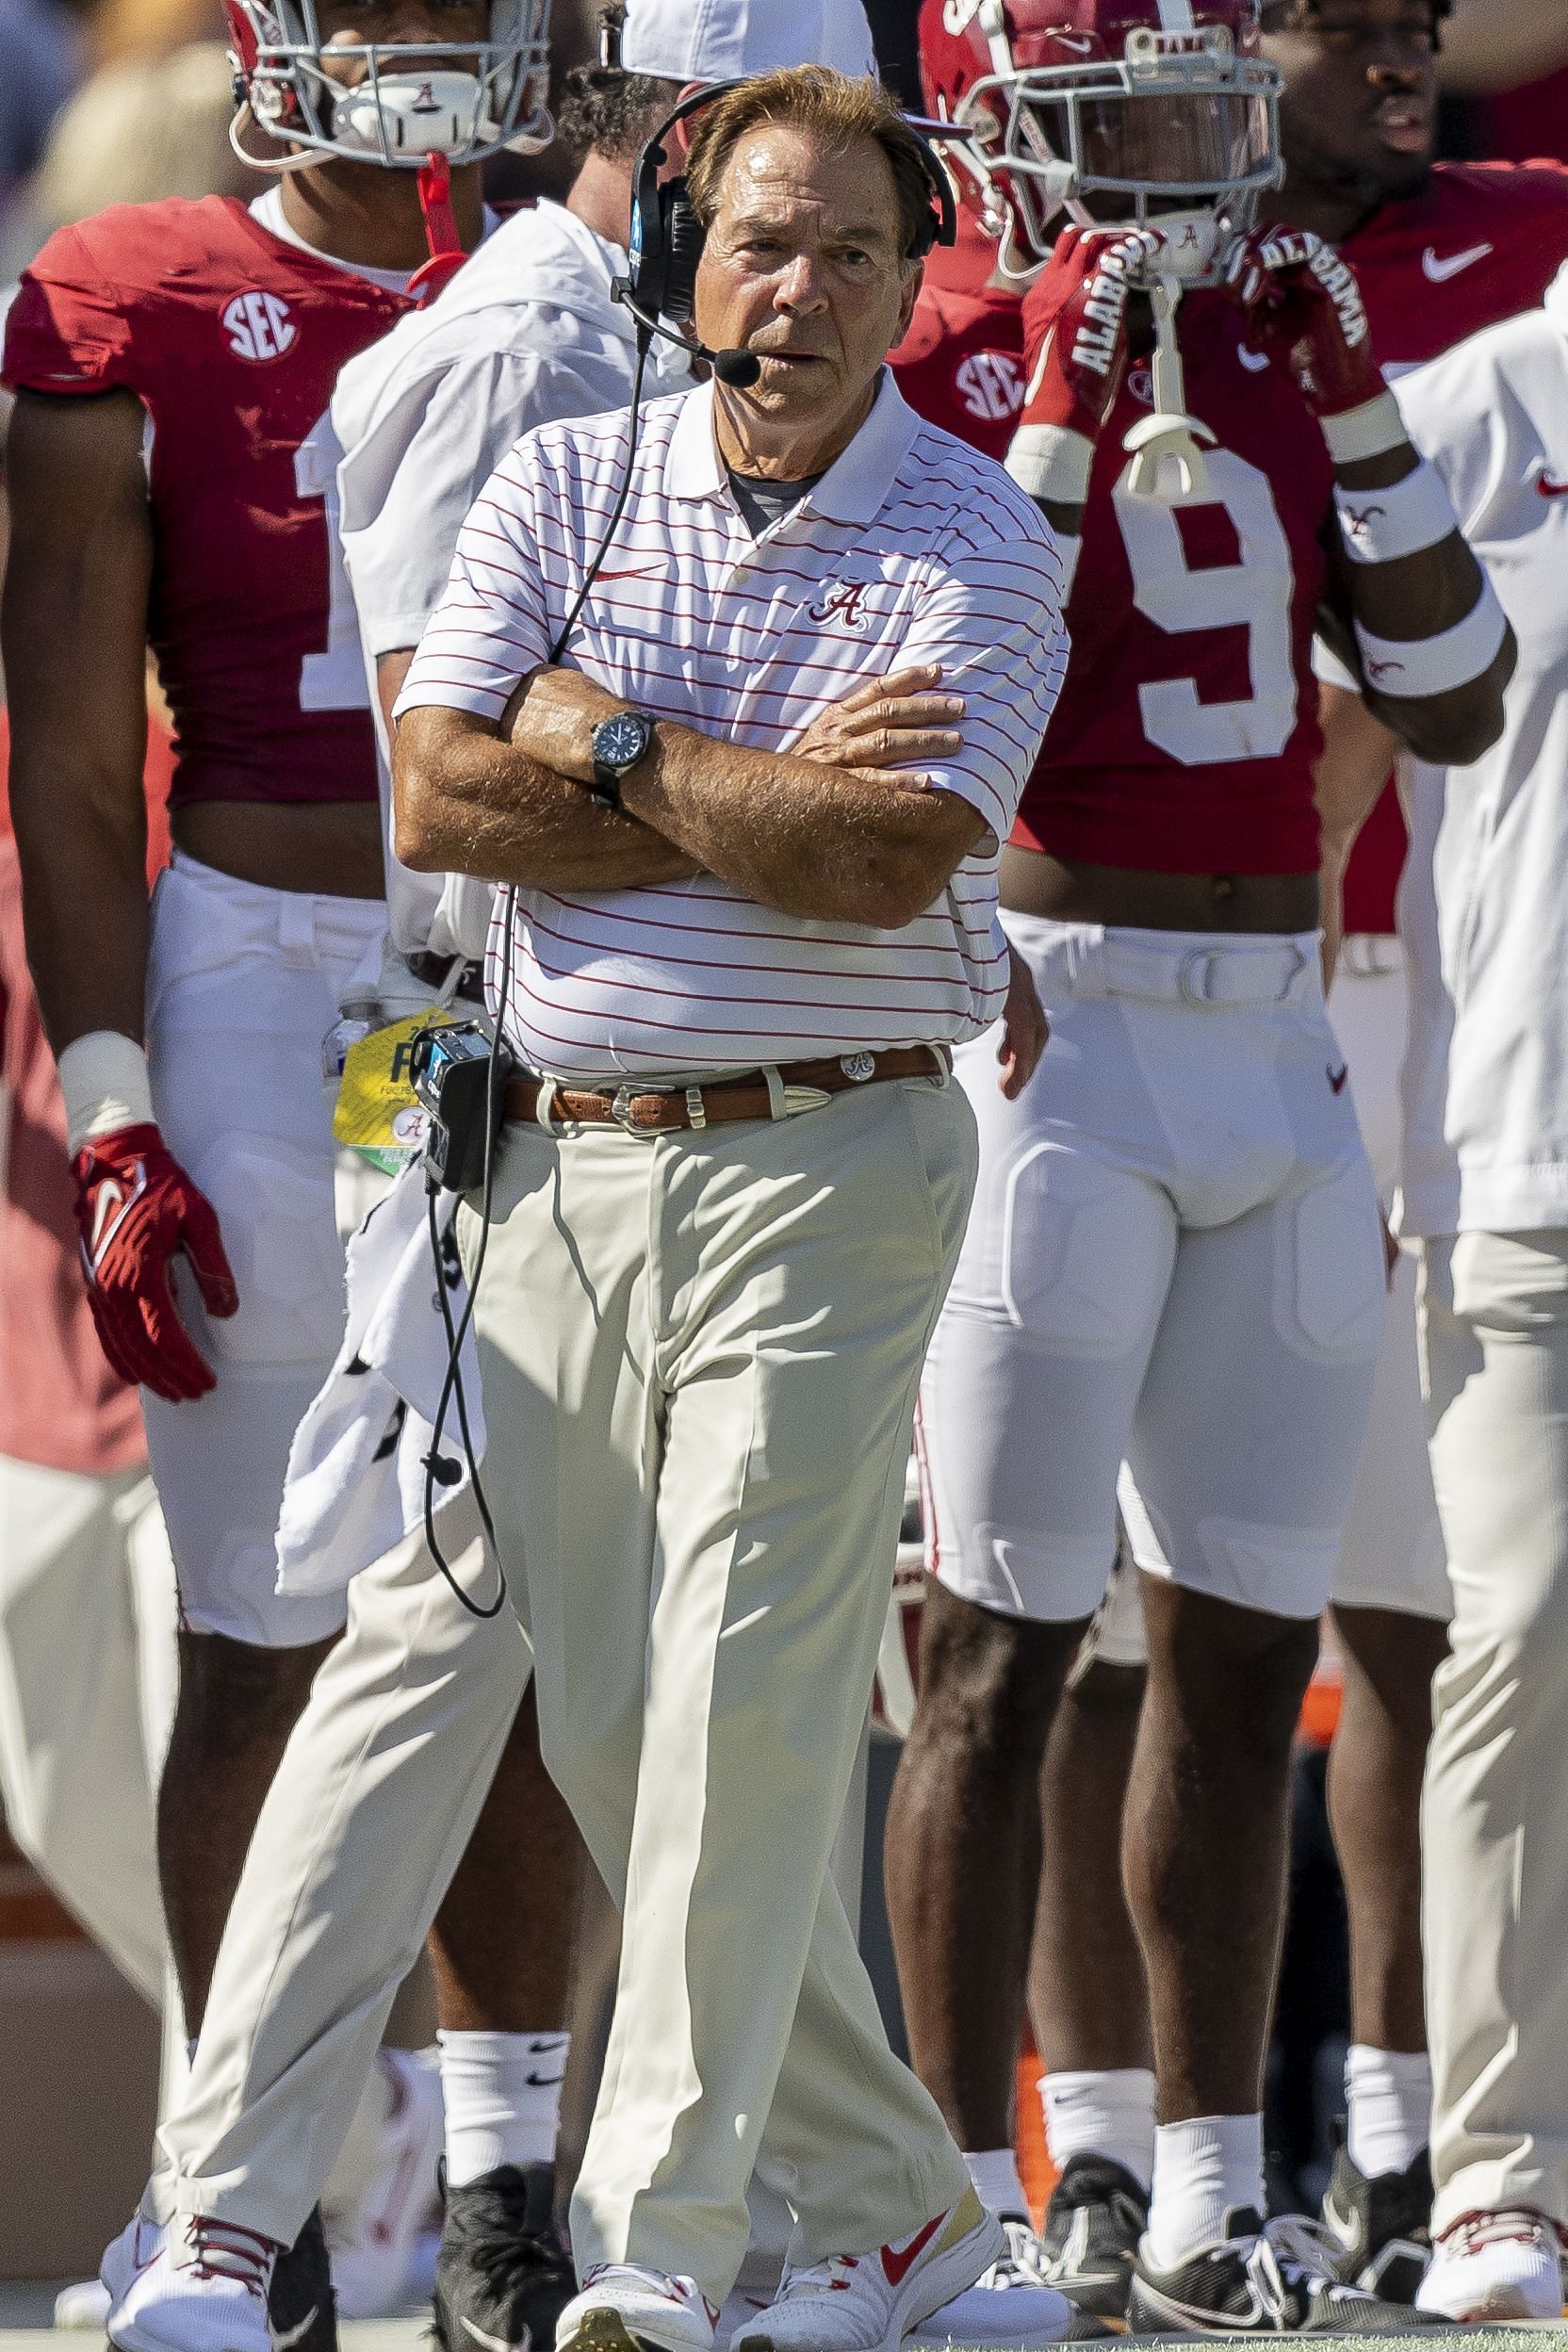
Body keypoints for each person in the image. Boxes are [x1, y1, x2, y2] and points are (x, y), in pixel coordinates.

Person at [393, 61, 1071, 2352]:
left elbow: (885, 864)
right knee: (612, 1720)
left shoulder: (981, 533)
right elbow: (432, 787)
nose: (792, 290)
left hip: (835, 1153)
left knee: (752, 1704)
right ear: (688, 243)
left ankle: (663, 2253)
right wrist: (715, 785)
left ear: (908, 290)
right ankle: (908, 2214)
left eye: (849, 255)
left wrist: (596, 729)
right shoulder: (557, 470)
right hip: (561, 1165)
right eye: (761, 241)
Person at [882, 0, 1513, 2329]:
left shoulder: (1266, 330)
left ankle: (1215, 2183)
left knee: (1248, 1658)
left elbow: (1450, 692)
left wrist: (1347, 397)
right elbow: (964, 701)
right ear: (1011, 128)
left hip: (1274, 1050)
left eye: (1187, 93)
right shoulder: (940, 338)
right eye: (1120, 104)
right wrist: (1054, 396)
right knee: (999, 1657)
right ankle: (966, 2198)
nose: (1179, 143)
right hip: (1062, 1044)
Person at [0, 0, 577, 2334]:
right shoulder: (127, 295)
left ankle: (512, 2190)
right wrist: (116, 1091)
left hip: (525, 961)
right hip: (275, 976)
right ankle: (227, 2188)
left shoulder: (579, 284)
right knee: (262, 1628)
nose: (433, 44)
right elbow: (61, 759)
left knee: (510, 1599)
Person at [1302, 255, 1568, 2324]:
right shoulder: (1464, 407)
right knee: (1504, 1666)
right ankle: (1496, 2174)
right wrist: (1302, 1079)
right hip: (1521, 1154)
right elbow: (1322, 784)